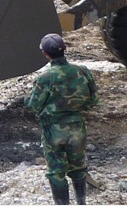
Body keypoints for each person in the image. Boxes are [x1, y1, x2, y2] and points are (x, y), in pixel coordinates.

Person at [25, 33, 98, 205]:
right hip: (78, 128)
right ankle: (81, 203)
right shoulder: (83, 71)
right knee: (79, 168)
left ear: (45, 54)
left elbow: (33, 105)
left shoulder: (45, 78)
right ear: (65, 49)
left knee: (56, 172)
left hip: (54, 131)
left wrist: (26, 99)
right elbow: (94, 100)